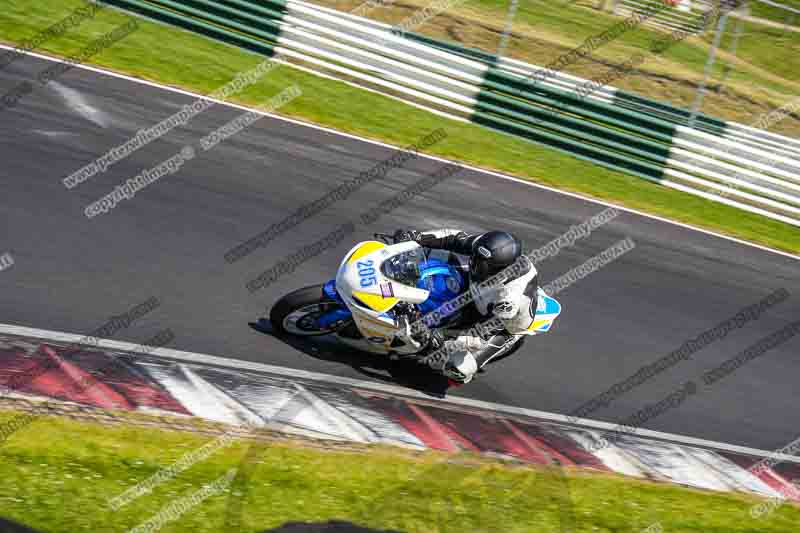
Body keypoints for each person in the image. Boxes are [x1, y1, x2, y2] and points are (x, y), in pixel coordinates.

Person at [391, 229, 540, 384]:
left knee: (456, 368)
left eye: (483, 265)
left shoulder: (509, 299)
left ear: (499, 270)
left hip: (502, 327)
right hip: (480, 292)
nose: (475, 264)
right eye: (476, 259)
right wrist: (417, 237)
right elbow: (454, 239)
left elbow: (481, 334)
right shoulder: (485, 247)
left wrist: (441, 335)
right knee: (440, 263)